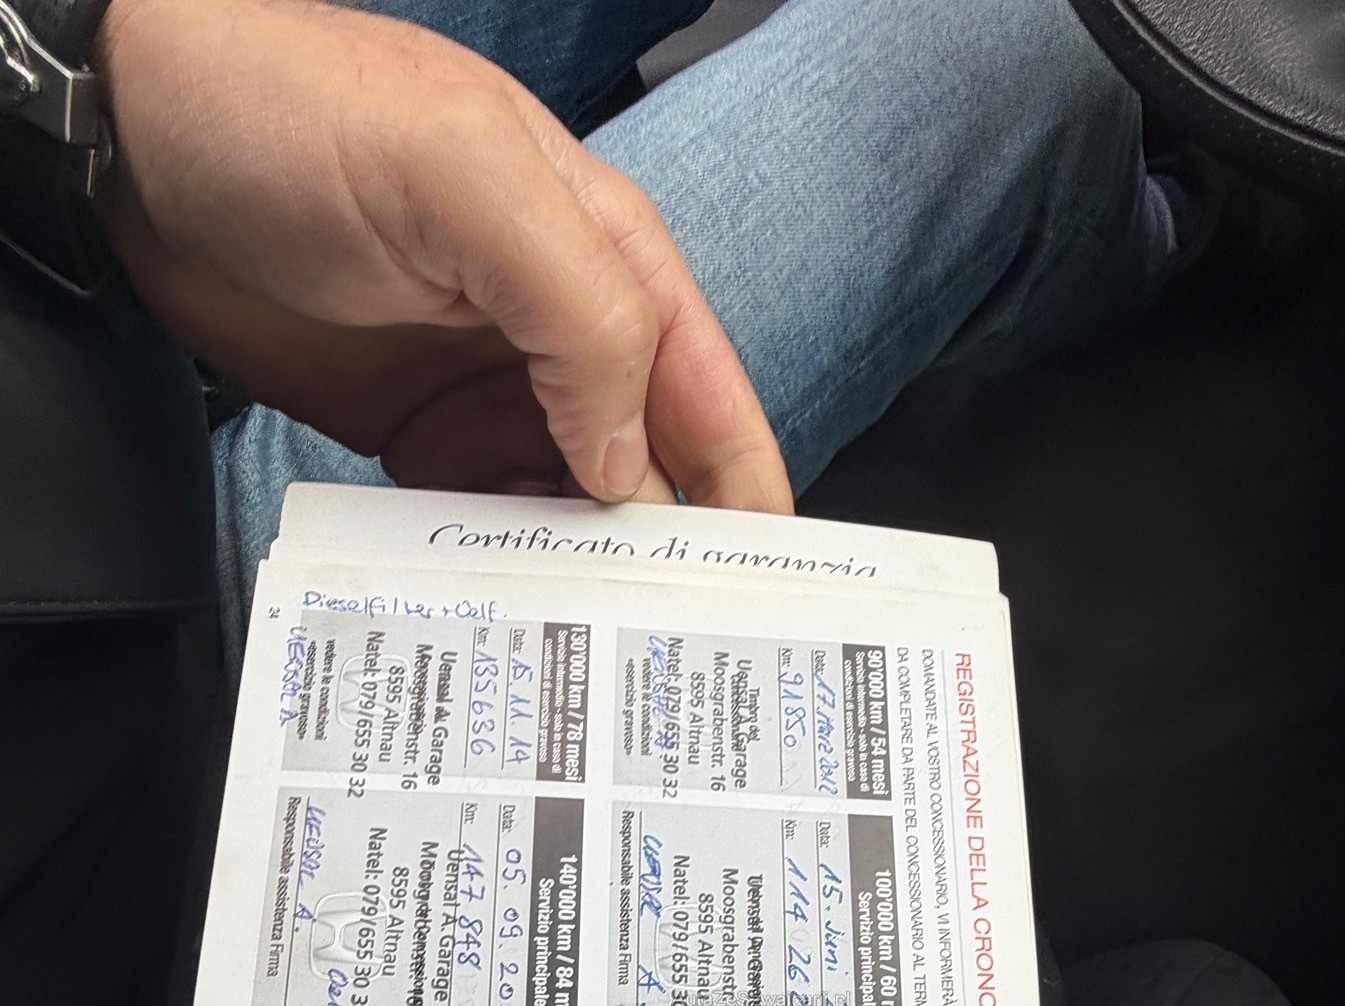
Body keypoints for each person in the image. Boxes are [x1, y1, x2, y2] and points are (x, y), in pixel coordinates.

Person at [73, 0, 1176, 643]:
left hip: (46, 264)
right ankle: (1168, 238)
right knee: (1015, 45)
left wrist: (84, 80)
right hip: (146, 669)